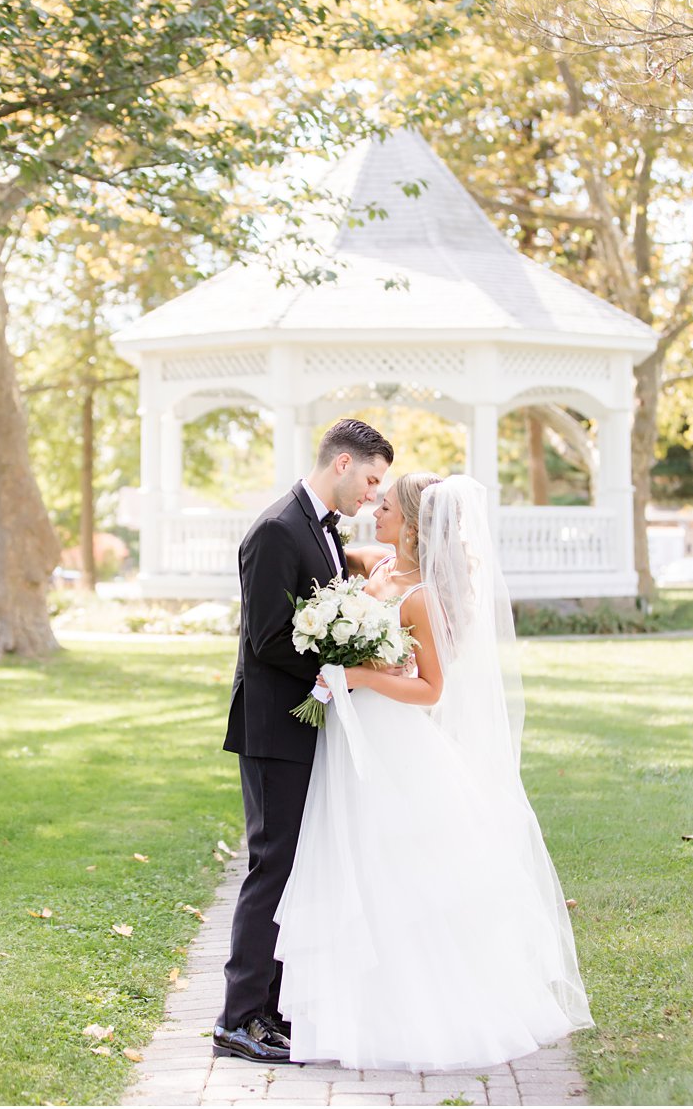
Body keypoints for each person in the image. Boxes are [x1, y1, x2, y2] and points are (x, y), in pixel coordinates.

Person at [274, 472, 592, 1070]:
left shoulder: (421, 596)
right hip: (351, 740)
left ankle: (418, 1015)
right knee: (357, 868)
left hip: (394, 745)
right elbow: (358, 606)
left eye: (387, 506)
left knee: (401, 874)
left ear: (416, 526)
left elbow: (430, 690)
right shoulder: (378, 575)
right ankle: (356, 1017)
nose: (375, 512)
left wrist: (358, 677)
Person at [216, 419, 393, 1064]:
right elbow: (266, 638)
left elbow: (317, 604)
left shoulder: (321, 528)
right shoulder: (275, 529)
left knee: (294, 866)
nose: (373, 496)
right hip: (272, 728)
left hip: (304, 721)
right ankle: (238, 1019)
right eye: (371, 481)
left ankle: (270, 1011)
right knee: (273, 866)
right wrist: (336, 662)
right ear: (341, 463)